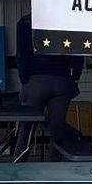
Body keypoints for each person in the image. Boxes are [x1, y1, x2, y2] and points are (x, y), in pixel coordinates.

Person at [14, 12, 83, 153]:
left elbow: (22, 53)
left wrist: (24, 80)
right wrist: (75, 77)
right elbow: (78, 52)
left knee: (25, 128)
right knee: (57, 131)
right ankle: (54, 168)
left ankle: (18, 166)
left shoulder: (26, 21)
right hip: (63, 80)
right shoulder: (70, 20)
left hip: (36, 80)